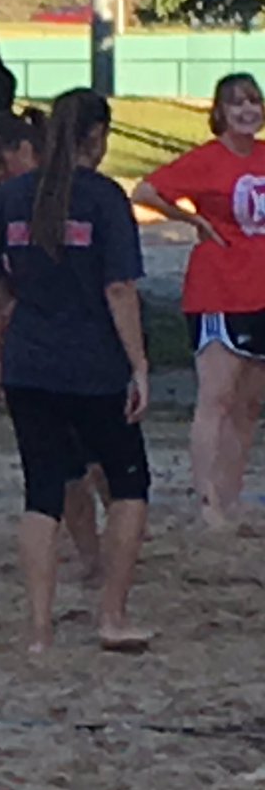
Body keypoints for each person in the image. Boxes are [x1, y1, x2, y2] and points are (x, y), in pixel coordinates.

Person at [0, 89, 152, 655]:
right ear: (97, 137)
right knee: (129, 486)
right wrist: (140, 365)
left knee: (42, 494)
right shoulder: (103, 198)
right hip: (93, 365)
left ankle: (38, 631)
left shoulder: (15, 196)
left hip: (29, 363)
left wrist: (2, 301)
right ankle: (111, 615)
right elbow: (119, 288)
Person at [0, 108, 105, 583]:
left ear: (27, 151)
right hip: (36, 356)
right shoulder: (8, 206)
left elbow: (117, 282)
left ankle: (122, 546)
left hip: (90, 349)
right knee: (65, 468)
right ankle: (93, 557)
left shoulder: (78, 196)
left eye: (1, 166)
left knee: (104, 462)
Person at [132, 72, 265, 529]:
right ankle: (207, 500)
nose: (248, 111)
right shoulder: (207, 161)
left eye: (254, 102)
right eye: (237, 104)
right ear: (220, 113)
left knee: (249, 404)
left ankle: (231, 496)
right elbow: (146, 190)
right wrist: (191, 220)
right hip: (219, 290)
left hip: (261, 289)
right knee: (217, 396)